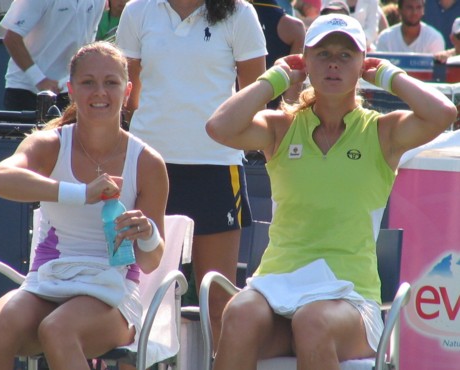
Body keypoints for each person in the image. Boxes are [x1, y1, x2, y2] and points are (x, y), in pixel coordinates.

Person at [205, 13, 457, 370]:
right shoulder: (282, 126)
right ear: (305, 62)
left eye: (345, 55)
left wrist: (388, 74)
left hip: (350, 301)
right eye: (323, 54)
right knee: (239, 313)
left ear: (362, 63)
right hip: (276, 290)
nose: (334, 63)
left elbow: (443, 113)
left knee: (313, 322)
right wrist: (275, 77)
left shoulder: (383, 131)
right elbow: (219, 127)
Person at [0, 41, 169, 370]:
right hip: (48, 281)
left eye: (111, 82)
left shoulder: (148, 162)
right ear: (71, 89)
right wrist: (80, 192)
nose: (99, 92)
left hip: (114, 291)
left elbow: (150, 262)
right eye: (88, 82)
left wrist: (146, 234)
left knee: (58, 330)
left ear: (128, 89)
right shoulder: (49, 144)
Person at [116, 0, 266, 349]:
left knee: (218, 304)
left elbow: (256, 96)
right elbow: (127, 94)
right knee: (134, 302)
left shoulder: (240, 13)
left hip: (217, 168)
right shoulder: (137, 11)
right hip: (148, 168)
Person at [0, 0, 105, 112]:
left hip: (68, 91)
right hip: (25, 90)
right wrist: (39, 79)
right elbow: (12, 38)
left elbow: (87, 42)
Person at [253, 0, 306, 108]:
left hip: (230, 113)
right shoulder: (295, 28)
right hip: (272, 118)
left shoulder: (227, 19)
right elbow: (290, 100)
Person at [375, 0, 445, 53]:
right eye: (409, 7)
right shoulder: (385, 38)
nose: (414, 12)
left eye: (418, 7)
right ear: (399, 9)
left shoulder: (434, 38)